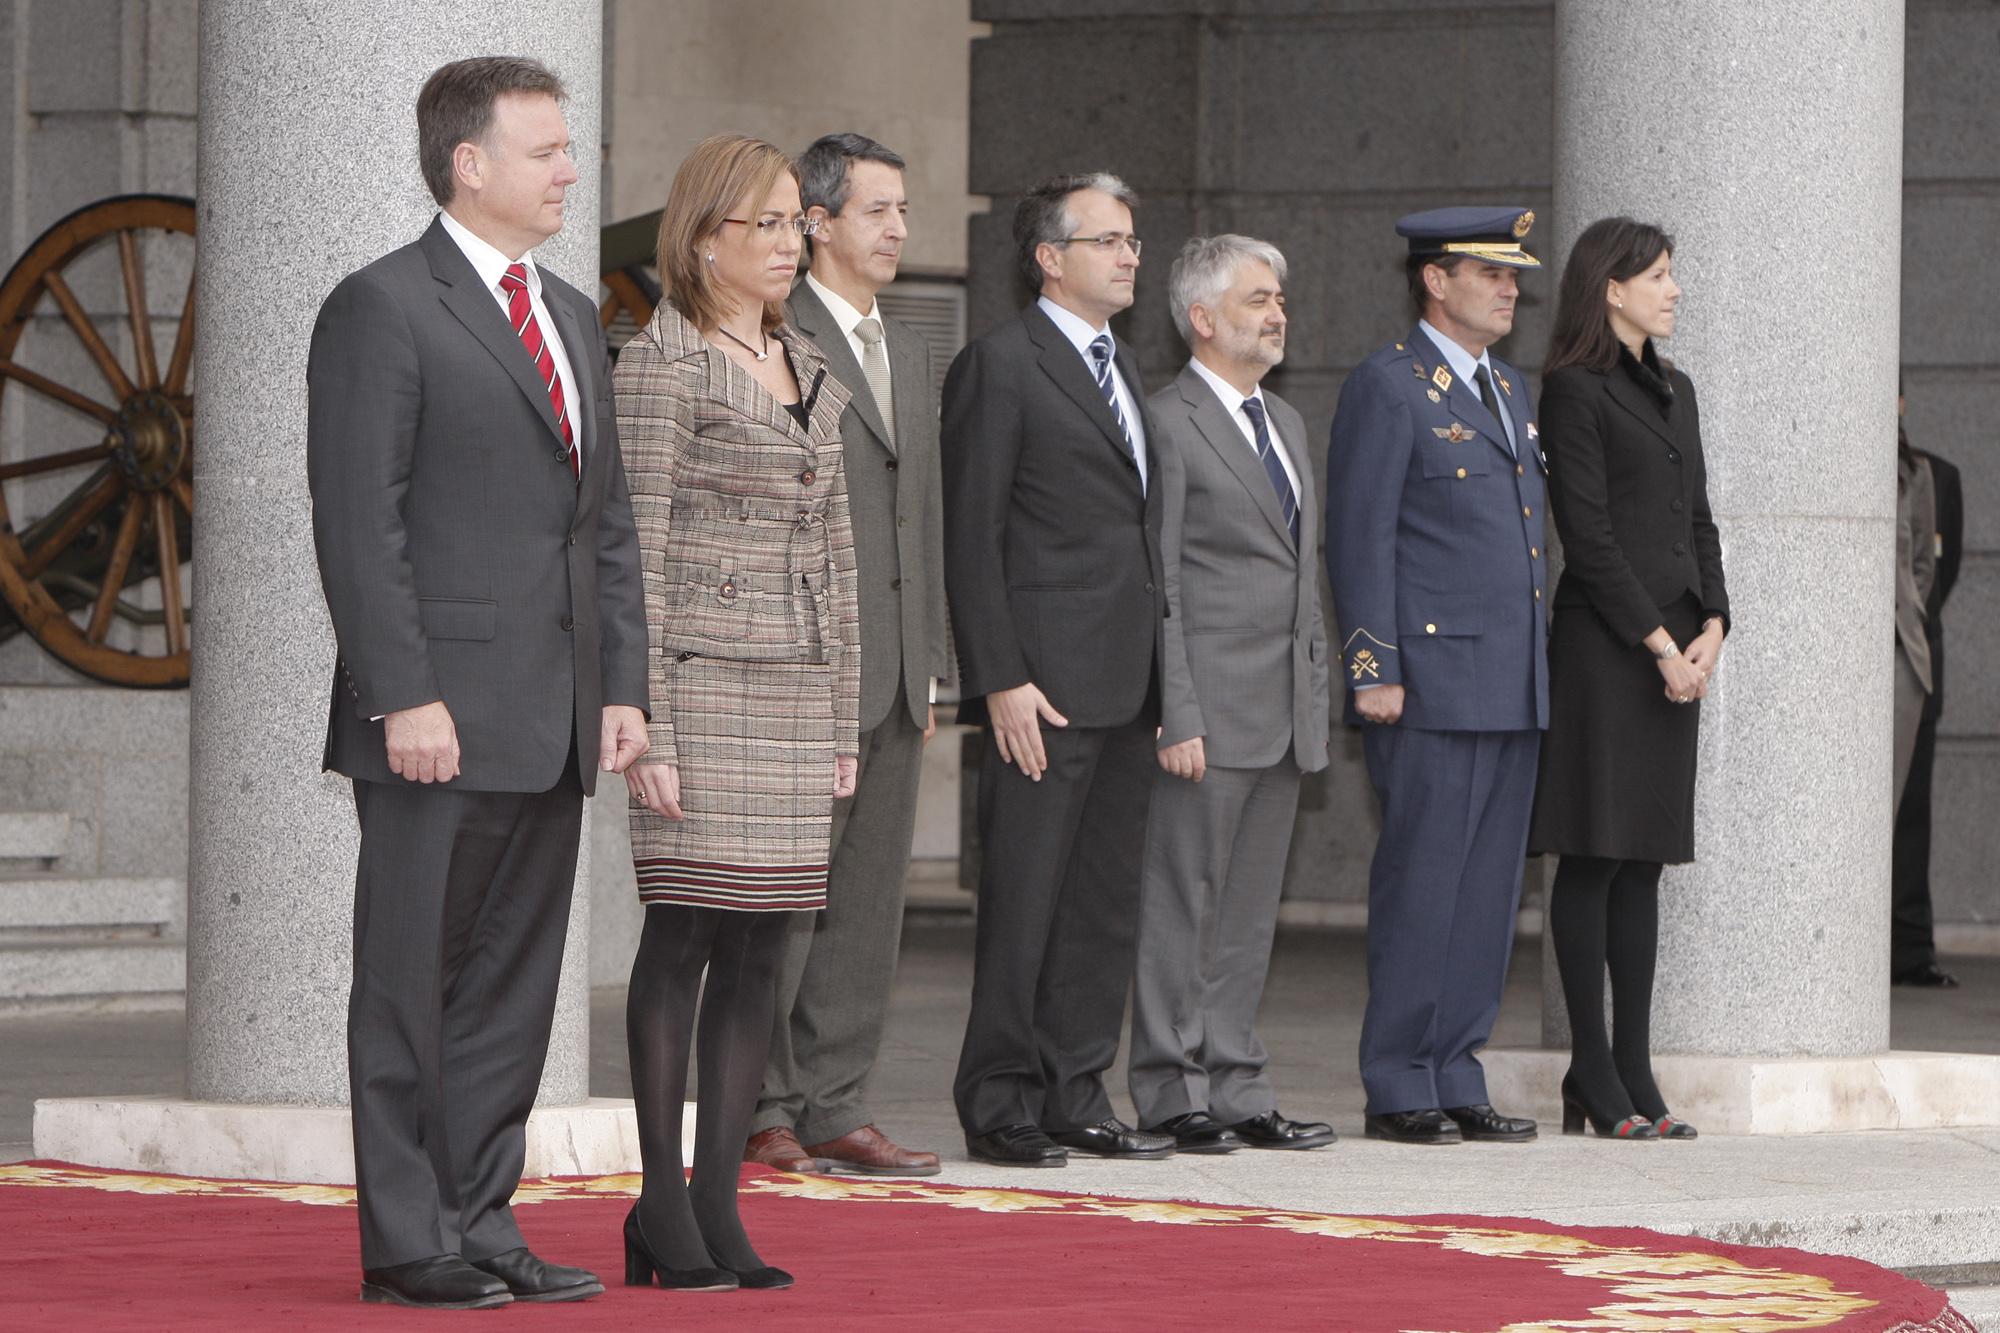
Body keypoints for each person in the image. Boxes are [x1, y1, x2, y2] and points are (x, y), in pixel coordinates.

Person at [307, 56, 648, 1309]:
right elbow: (359, 523)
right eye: (545, 151)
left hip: (553, 717)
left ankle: (483, 1222)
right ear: (469, 163)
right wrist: (403, 693)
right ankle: (409, 1242)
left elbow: (602, 523)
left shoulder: (569, 310)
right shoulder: (381, 307)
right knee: (410, 986)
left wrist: (621, 685)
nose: (568, 171)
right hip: (434, 719)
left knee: (510, 992)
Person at [613, 133, 859, 1291]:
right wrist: (645, 721)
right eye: (763, 222)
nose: (787, 241)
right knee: (685, 932)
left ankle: (718, 1199)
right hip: (700, 683)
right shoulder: (659, 366)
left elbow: (838, 558)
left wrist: (841, 716)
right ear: (702, 237)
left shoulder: (807, 362)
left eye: (793, 222)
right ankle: (659, 1206)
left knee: (763, 941)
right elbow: (634, 556)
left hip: (795, 687)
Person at [942, 172, 1172, 1167]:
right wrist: (998, 675)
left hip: (1125, 682)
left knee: (1100, 905)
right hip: (1038, 687)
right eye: (1107, 241)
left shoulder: (1125, 365)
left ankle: (1075, 1088)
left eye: (1132, 241)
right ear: (1048, 257)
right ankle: (998, 1099)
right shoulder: (1001, 363)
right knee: (1026, 900)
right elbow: (971, 534)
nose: (1128, 256)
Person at [744, 132, 949, 1178]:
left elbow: (924, 517)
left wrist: (932, 661)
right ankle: (761, 1103)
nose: (898, 228)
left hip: (897, 673)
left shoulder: (908, 348)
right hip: (807, 670)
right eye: (878, 209)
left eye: (903, 209)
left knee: (867, 906)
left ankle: (835, 1101)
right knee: (787, 903)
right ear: (816, 222)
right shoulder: (777, 337)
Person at [1324, 206, 1547, 1147]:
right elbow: (1359, 534)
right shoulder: (1389, 385)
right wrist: (1372, 666)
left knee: (1488, 895)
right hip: (1431, 685)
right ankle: (1398, 1077)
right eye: (1490, 272)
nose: (1509, 289)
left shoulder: (1509, 386)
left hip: (1511, 683)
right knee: (1424, 884)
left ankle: (1457, 1068)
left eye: (1513, 275)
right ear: (1434, 280)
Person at [1129, 235, 1333, 1155]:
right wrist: (1177, 711)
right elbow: (1162, 581)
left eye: (1279, 298)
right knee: (1183, 905)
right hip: (1205, 714)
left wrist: (1312, 699)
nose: (1277, 313)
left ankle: (1240, 1085)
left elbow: (1301, 574)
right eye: (1258, 299)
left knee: (1248, 914)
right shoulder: (1165, 421)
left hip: (1282, 713)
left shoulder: (1285, 421)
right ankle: (1170, 1087)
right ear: (1202, 318)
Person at [1527, 216, 1729, 1141]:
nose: (1673, 289)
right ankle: (1592, 1070)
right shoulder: (1575, 388)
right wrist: (1658, 644)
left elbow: (1699, 520)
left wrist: (1714, 624)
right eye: (1658, 276)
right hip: (1610, 649)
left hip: (1678, 645)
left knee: (1642, 860)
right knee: (1594, 852)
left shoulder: (1676, 388)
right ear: (1612, 289)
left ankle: (1636, 1070)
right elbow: (1589, 534)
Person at [1893, 386, 1962, 989]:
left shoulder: (1927, 473)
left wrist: (1908, 617)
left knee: (1908, 811)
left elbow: (1936, 567)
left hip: (1908, 659)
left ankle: (1909, 948)